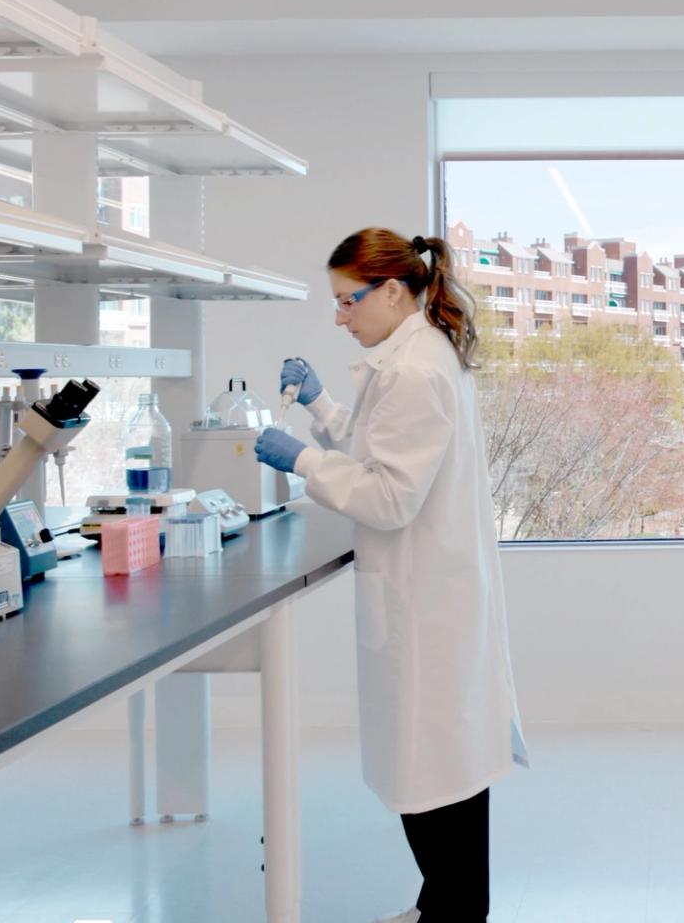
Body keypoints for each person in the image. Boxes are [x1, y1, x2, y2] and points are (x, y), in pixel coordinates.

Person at [254, 228, 526, 923]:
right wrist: (320, 409)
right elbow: (383, 446)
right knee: (440, 767)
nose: (340, 317)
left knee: (435, 775)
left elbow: (388, 495)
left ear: (395, 291)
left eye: (348, 301)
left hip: (428, 600)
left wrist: (302, 462)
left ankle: (454, 913)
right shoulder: (413, 357)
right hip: (429, 591)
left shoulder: (414, 370)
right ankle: (444, 906)